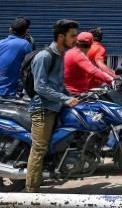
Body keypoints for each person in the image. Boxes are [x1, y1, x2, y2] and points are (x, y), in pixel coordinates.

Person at [25, 19, 81, 193]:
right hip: (43, 109)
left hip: (54, 107)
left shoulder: (60, 54)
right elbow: (40, 87)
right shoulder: (45, 56)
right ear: (60, 37)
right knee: (39, 148)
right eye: (73, 36)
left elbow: (58, 84)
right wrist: (64, 99)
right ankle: (31, 192)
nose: (76, 39)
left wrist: (73, 97)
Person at [0, 17, 34, 102]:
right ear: (26, 32)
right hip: (5, 93)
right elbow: (31, 67)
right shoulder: (25, 44)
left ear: (10, 30)